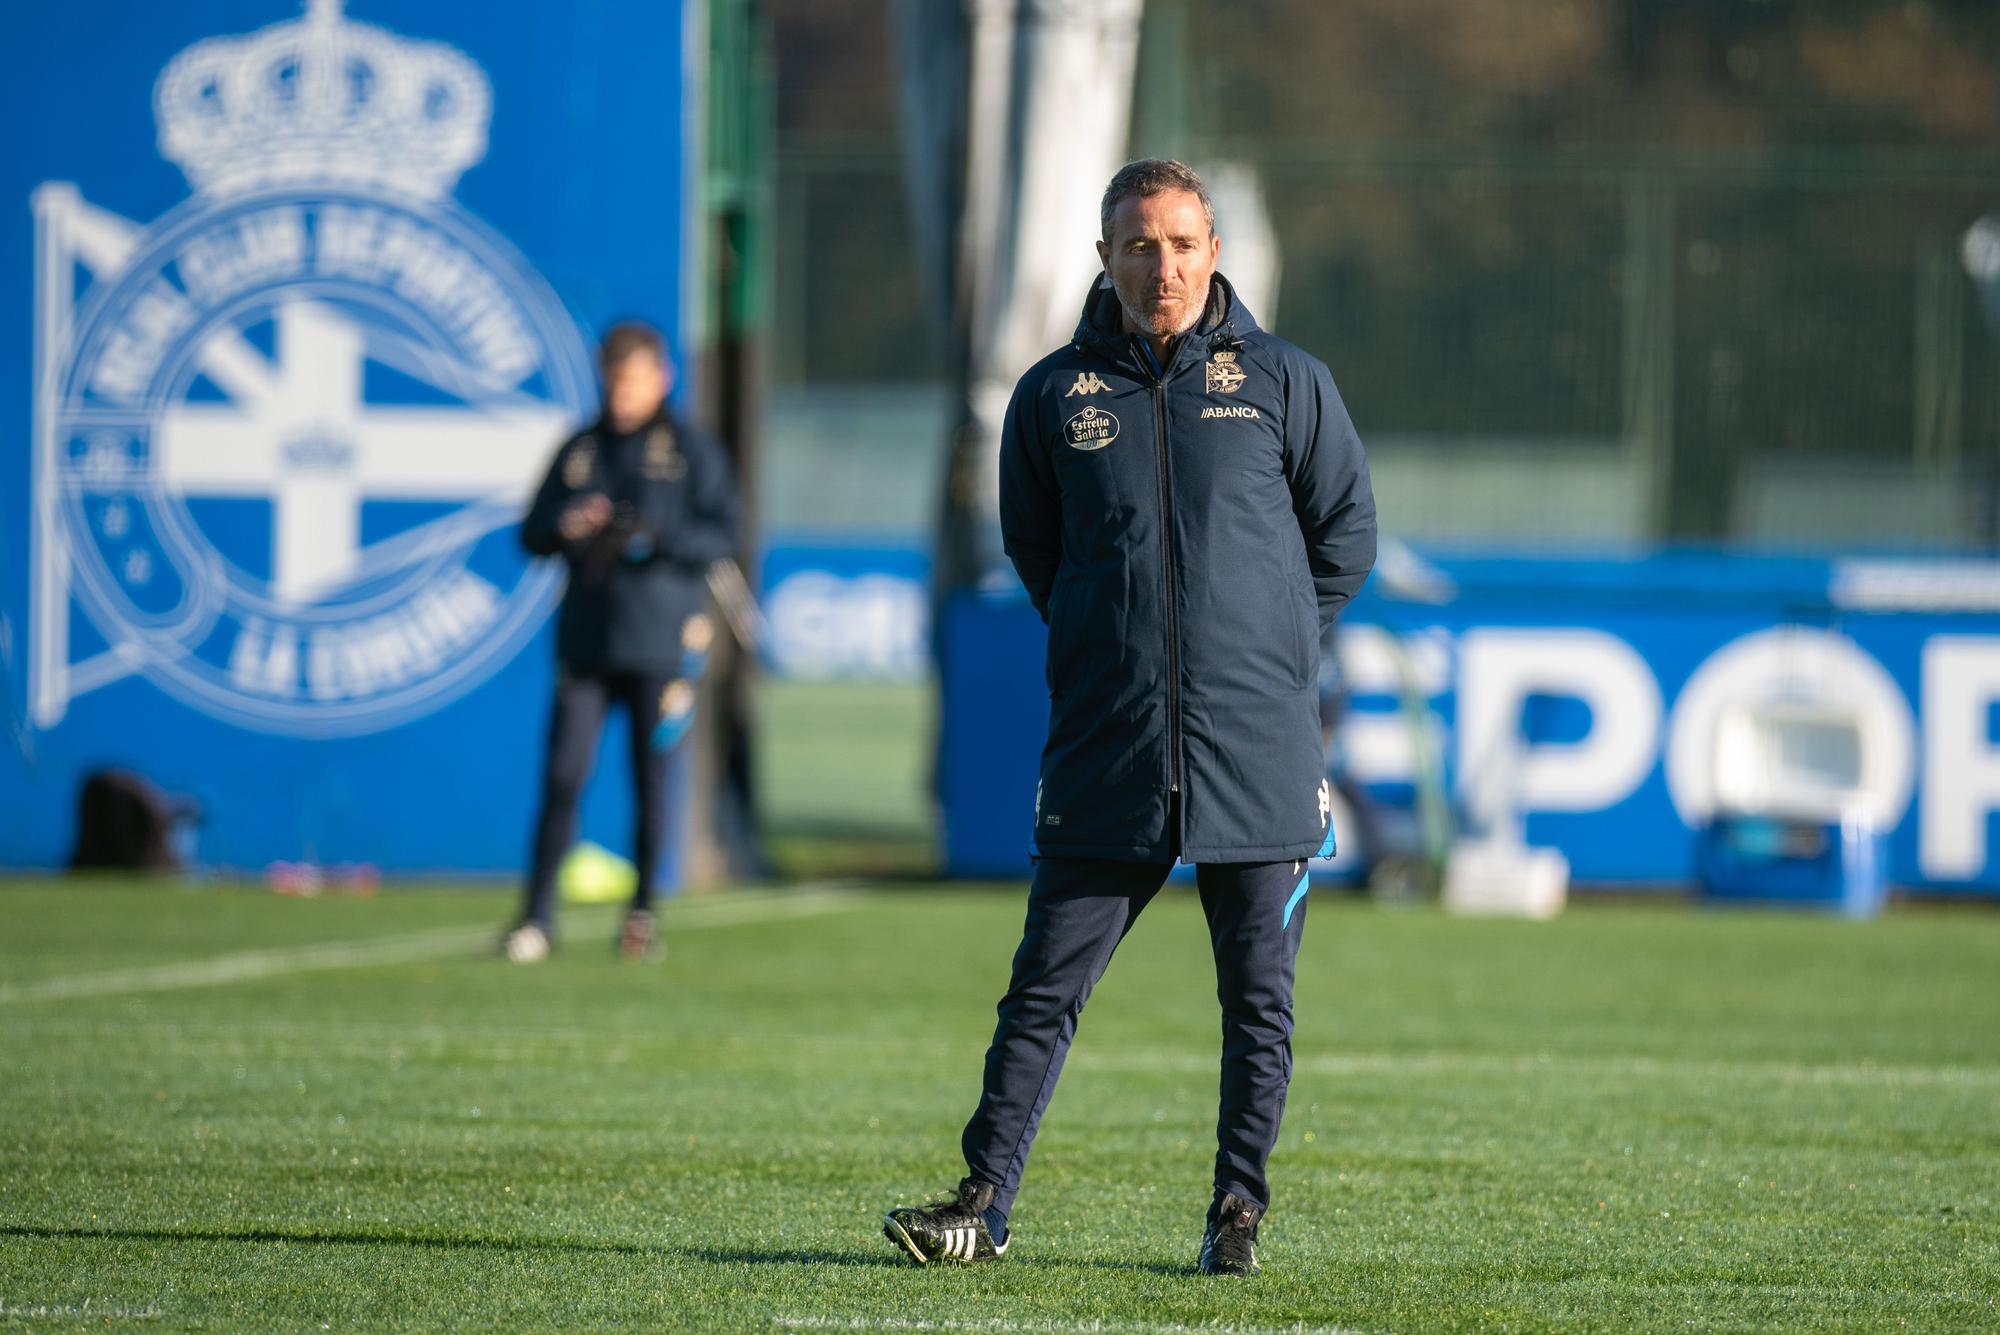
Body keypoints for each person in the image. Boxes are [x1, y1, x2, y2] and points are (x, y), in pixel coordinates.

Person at [882, 161, 1375, 1276]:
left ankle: (1234, 1216)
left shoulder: (1284, 382)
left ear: (1214, 253)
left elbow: (1342, 536)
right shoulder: (1053, 395)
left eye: (1183, 244)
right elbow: (1036, 549)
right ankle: (981, 1202)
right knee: (1041, 989)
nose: (1164, 266)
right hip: (1109, 749)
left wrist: (1271, 648)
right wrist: (1114, 650)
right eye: (1141, 246)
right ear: (1104, 256)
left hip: (1255, 754)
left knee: (1257, 1002)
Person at [502, 322, 738, 963]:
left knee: (651, 781)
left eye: (634, 380)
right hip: (585, 644)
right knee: (563, 775)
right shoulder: (581, 447)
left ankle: (641, 915)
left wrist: (655, 536)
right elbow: (530, 532)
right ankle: (535, 917)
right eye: (614, 380)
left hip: (661, 645)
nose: (623, 393)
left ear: (660, 378)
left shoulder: (689, 448)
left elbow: (721, 535)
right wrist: (570, 523)